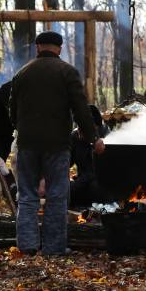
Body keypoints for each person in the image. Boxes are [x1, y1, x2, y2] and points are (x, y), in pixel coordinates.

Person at [10, 31, 103, 255]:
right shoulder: (67, 72)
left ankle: (27, 245)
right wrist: (93, 138)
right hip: (57, 146)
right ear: (59, 48)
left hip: (27, 144)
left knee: (28, 197)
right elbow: (81, 110)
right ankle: (53, 248)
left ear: (38, 47)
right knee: (56, 197)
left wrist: (23, 129)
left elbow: (12, 112)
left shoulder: (22, 74)